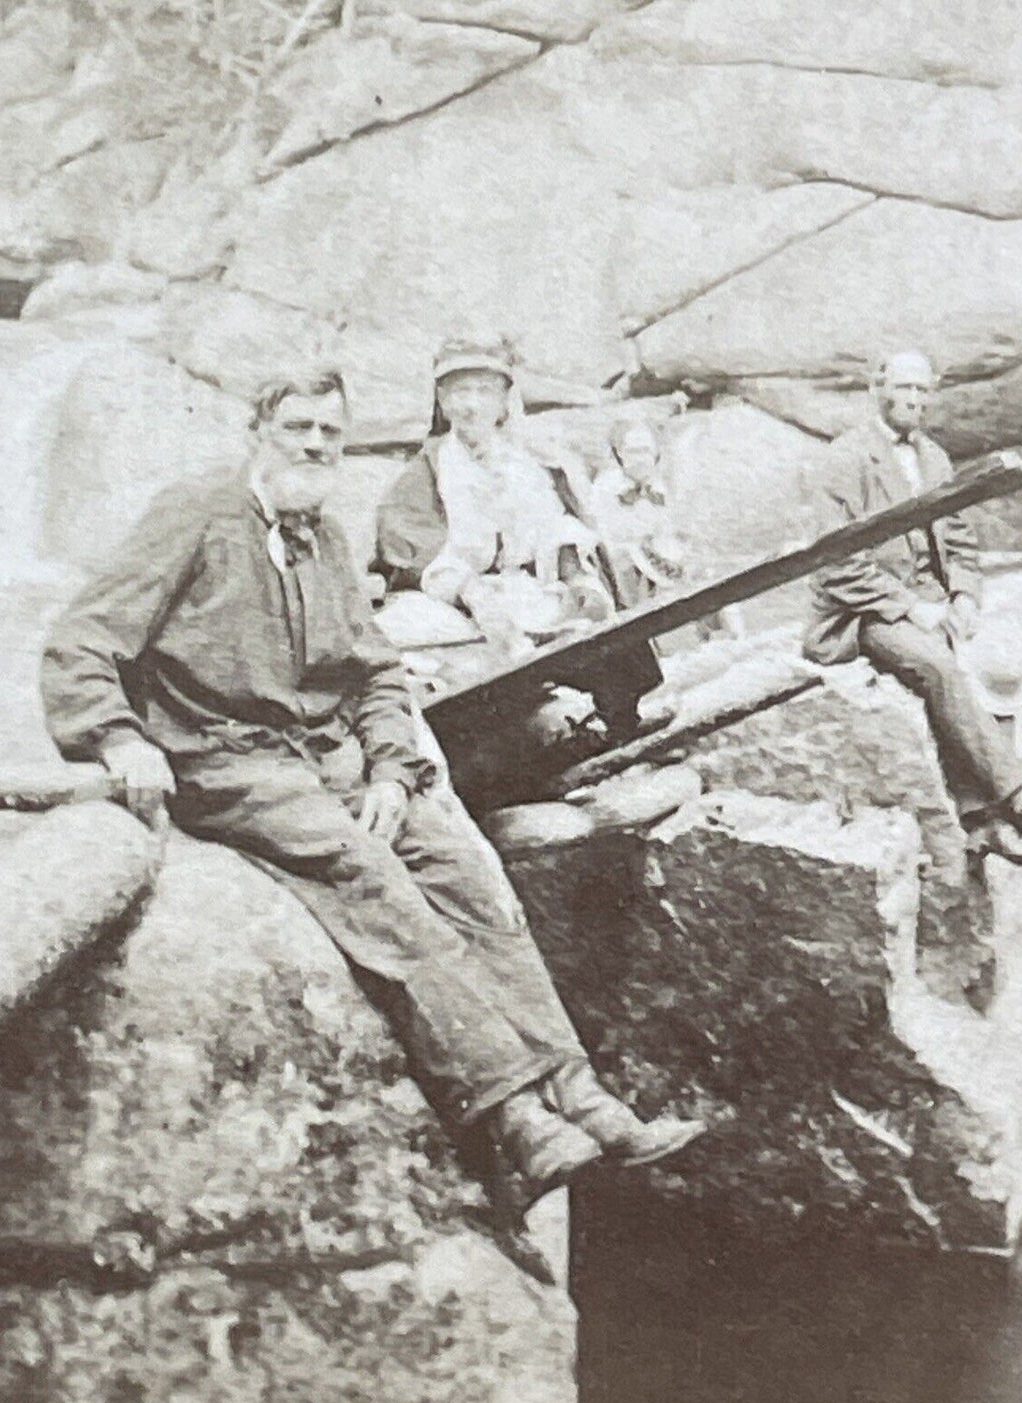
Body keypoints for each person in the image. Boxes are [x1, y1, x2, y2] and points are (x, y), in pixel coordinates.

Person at [41, 367, 703, 1205]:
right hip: (226, 759)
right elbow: (81, 640)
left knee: (459, 873)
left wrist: (392, 767)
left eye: (331, 433)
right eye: (299, 428)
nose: (316, 445)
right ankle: (512, 1109)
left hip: (327, 753)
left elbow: (377, 675)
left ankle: (579, 1091)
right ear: (260, 431)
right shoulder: (196, 514)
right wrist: (116, 735)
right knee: (367, 873)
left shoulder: (324, 537)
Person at [802, 351, 1022, 865]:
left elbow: (962, 540)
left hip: (931, 600)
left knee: (998, 663)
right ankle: (1015, 802)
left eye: (924, 391)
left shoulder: (935, 459)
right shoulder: (846, 458)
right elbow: (834, 563)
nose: (915, 400)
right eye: (905, 388)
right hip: (863, 613)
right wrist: (909, 608)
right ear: (878, 388)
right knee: (937, 666)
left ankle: (981, 821)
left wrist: (964, 595)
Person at [372, 338, 613, 649]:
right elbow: (413, 551)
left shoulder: (529, 466)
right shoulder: (425, 474)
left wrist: (580, 580)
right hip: (457, 609)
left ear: (503, 402)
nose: (472, 406)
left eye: (485, 391)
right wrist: (476, 597)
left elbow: (557, 531)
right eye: (461, 392)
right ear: (443, 401)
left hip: (532, 596)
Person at [587, 419, 686, 609]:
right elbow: (606, 530)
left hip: (653, 553)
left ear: (656, 454)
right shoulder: (606, 486)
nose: (639, 458)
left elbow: (665, 526)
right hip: (621, 555)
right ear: (619, 454)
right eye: (632, 452)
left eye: (645, 451)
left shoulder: (658, 486)